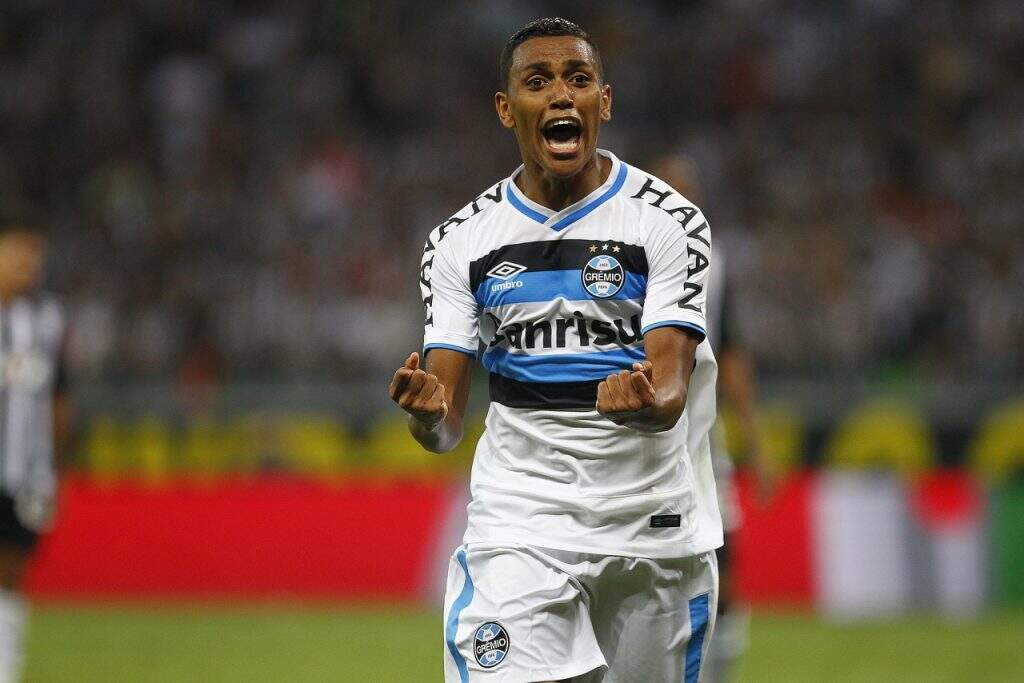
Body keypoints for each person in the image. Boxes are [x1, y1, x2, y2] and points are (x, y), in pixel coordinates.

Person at [388, 18, 721, 682]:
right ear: (507, 108)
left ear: (604, 101)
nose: (562, 95)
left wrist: (645, 399)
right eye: (538, 81)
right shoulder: (460, 242)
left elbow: (670, 390)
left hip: (648, 525)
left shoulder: (670, 222)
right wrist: (427, 415)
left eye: (579, 78)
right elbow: (446, 427)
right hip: (519, 523)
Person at [650, 156, 775, 683]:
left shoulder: (712, 264)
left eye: (685, 194)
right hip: (641, 443)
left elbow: (733, 355)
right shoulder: (624, 257)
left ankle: (718, 673)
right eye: (667, 192)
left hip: (701, 438)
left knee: (722, 557)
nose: (677, 204)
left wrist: (755, 442)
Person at [0, 211, 69, 683]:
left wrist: (55, 469)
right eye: (17, 251)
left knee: (11, 573)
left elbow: (61, 396)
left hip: (27, 472)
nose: (28, 263)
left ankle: (6, 670)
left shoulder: (48, 319)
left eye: (35, 255)